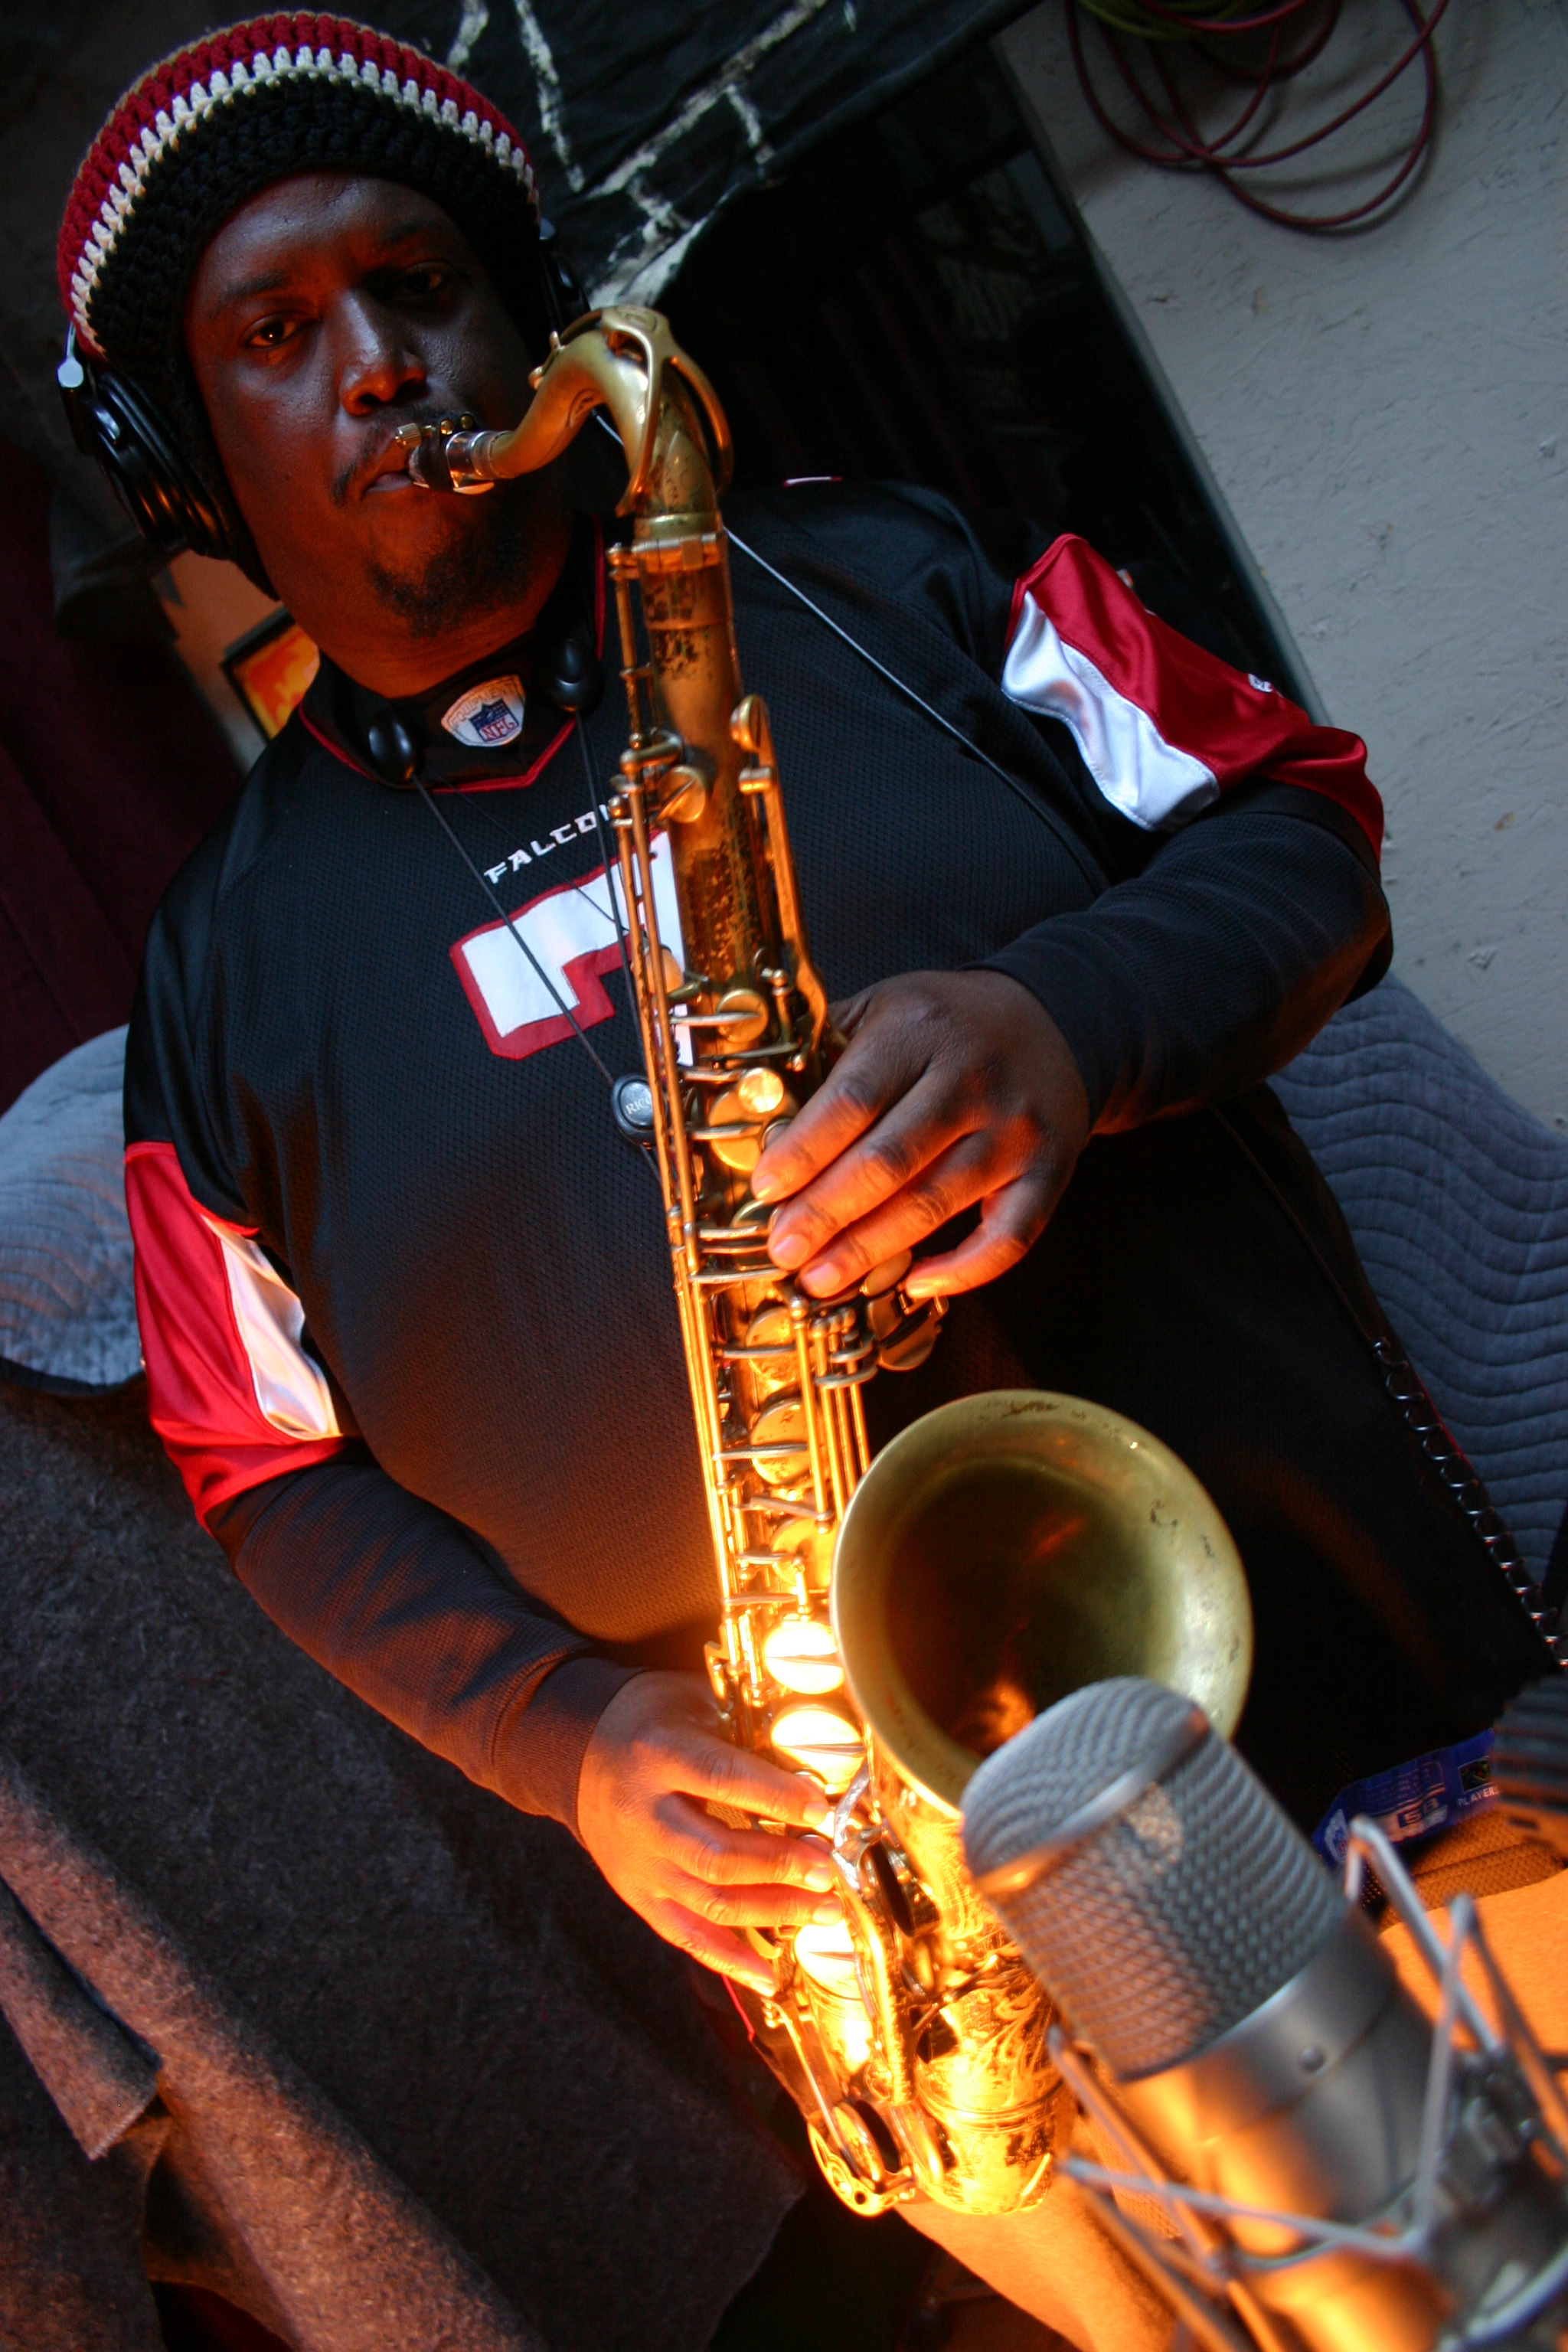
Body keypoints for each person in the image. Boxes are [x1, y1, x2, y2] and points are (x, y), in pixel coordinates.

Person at [58, 17, 1553, 2346]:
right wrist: (570, 1740)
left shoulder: (893, 575)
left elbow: (1308, 824)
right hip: (896, 1945)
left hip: (1371, 1745)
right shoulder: (217, 979)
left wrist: (1070, 1025)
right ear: (186, 461)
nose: (377, 367)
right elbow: (255, 1465)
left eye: (422, 284)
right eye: (277, 336)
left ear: (537, 325)